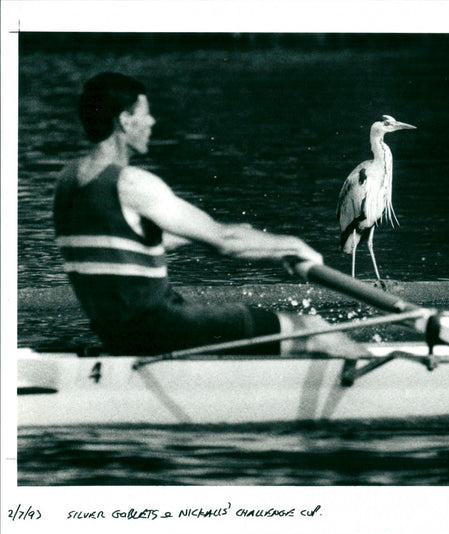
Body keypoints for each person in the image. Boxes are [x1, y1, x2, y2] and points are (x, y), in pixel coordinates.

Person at [54, 71, 363, 357]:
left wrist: (203, 237)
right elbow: (224, 241)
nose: (152, 122)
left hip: (113, 334)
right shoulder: (133, 183)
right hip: (160, 327)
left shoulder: (67, 181)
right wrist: (292, 246)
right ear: (125, 120)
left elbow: (118, 242)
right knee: (314, 328)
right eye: (145, 114)